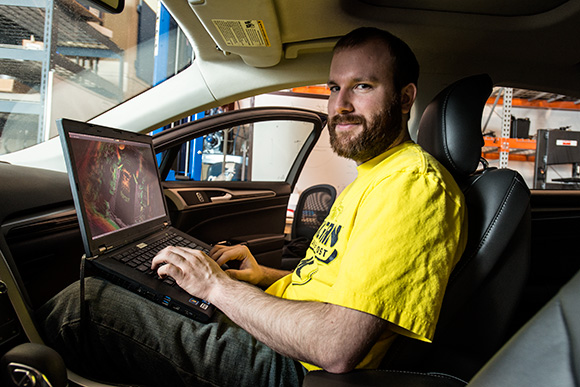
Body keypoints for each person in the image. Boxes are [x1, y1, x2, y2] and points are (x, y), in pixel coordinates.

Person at [38, 27, 467, 386]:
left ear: (406, 97)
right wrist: (263, 277)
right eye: (335, 87)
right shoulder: (377, 174)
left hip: (295, 369)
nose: (341, 105)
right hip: (285, 338)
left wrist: (217, 288)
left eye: (363, 86)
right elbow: (344, 290)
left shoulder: (413, 186)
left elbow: (338, 346)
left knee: (87, 304)